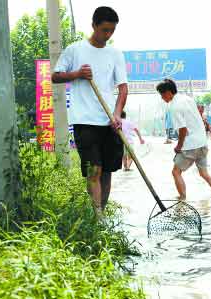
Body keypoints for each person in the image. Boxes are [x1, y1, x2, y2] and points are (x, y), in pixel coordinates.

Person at [51, 7, 128, 215]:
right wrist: (76, 74)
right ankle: (97, 216)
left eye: (112, 30)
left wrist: (118, 113)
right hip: (85, 121)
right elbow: (55, 76)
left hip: (109, 122)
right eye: (104, 30)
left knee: (107, 171)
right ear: (94, 25)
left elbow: (123, 87)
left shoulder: (115, 54)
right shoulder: (74, 50)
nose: (108, 35)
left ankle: (101, 212)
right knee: (94, 170)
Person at [156, 79, 211, 199]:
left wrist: (178, 147)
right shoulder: (188, 99)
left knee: (176, 172)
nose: (162, 98)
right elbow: (197, 117)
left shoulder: (174, 107)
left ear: (168, 92)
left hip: (190, 146)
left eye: (162, 94)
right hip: (202, 143)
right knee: (204, 174)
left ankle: (182, 200)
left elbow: (183, 130)